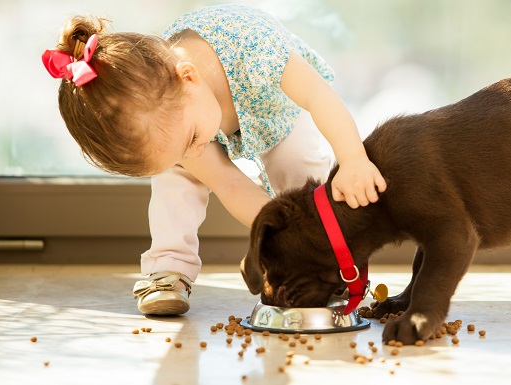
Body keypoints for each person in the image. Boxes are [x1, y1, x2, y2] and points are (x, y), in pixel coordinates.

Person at [42, 4, 386, 315]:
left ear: (189, 77)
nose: (193, 154)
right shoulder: (176, 121)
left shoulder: (256, 50)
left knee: (299, 163)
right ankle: (168, 268)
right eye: (180, 152)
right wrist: (274, 237)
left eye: (191, 141)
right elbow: (228, 182)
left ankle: (322, 261)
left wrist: (353, 158)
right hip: (195, 115)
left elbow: (318, 95)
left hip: (276, 108)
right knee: (175, 180)